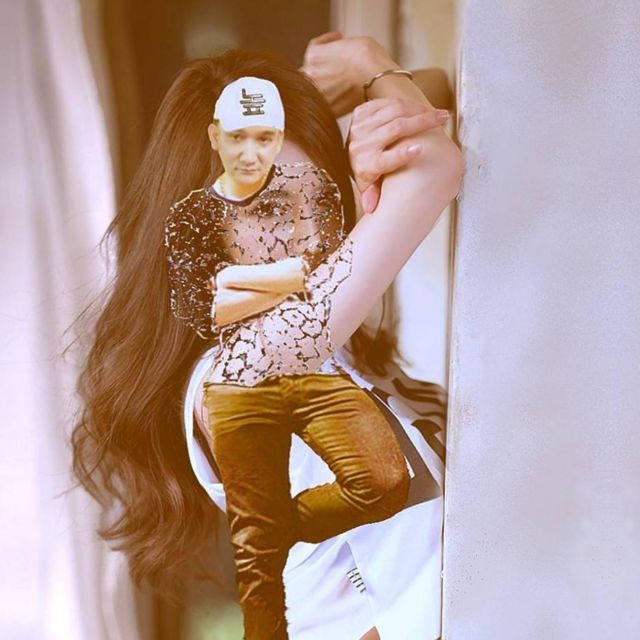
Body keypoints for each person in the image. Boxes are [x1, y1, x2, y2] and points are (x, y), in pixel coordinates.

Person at [70, 35, 461, 640]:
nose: (305, 237)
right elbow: (431, 163)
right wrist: (364, 65)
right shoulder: (247, 366)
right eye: (268, 210)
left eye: (317, 194)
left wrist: (324, 108)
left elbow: (433, 90)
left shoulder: (323, 338)